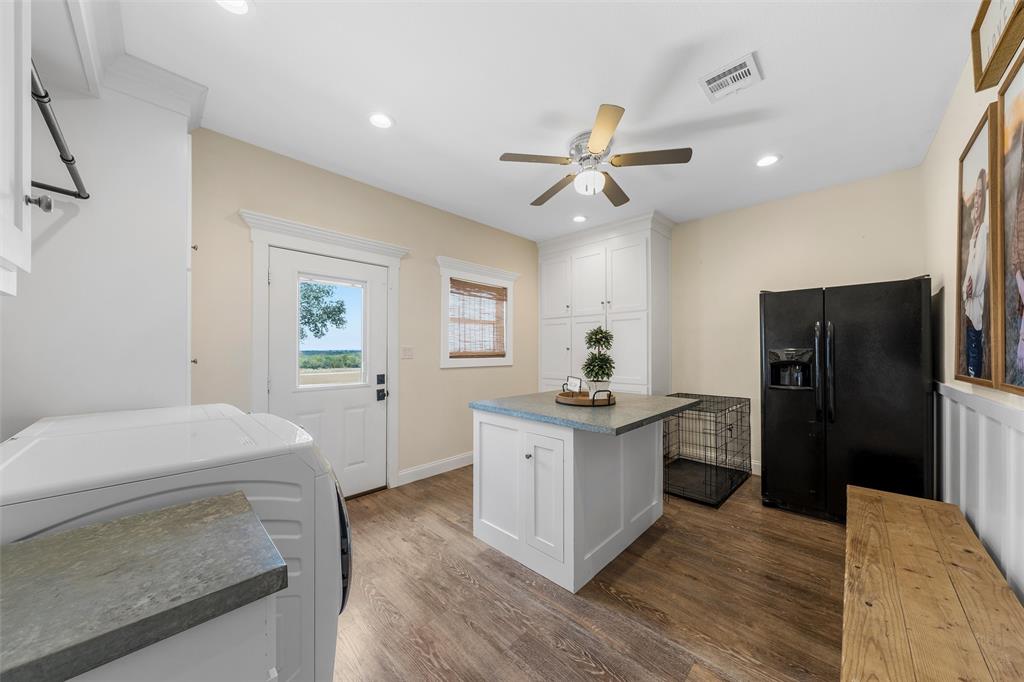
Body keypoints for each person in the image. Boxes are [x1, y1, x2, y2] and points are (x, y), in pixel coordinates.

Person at [962, 168, 989, 378]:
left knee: (975, 374)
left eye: (981, 194)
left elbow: (976, 282)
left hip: (976, 323)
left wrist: (968, 290)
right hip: (969, 320)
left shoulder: (984, 232)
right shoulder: (977, 231)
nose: (977, 199)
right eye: (976, 194)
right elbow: (965, 286)